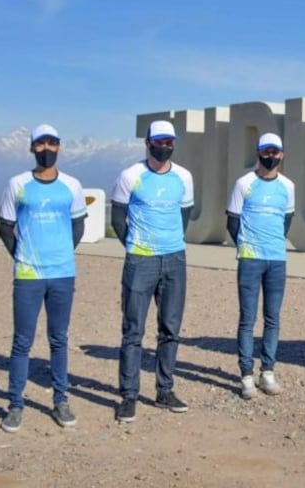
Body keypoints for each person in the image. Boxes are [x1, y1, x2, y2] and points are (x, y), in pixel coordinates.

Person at [0, 124, 88, 433]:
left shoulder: (72, 185)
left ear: (59, 147)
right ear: (32, 148)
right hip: (28, 275)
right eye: (40, 144)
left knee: (59, 339)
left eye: (52, 143)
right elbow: (5, 227)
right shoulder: (17, 184)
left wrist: (61, 253)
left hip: (62, 273)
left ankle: (61, 399)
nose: (46, 149)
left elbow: (78, 226)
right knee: (22, 340)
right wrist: (23, 256)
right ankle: (15, 404)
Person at [111, 120, 194, 421]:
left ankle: (164, 390)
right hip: (140, 260)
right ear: (147, 143)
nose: (164, 147)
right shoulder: (130, 175)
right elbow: (118, 219)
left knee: (170, 329)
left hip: (174, 259)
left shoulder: (184, 176)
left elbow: (184, 216)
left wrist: (170, 244)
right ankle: (129, 395)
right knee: (133, 330)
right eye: (158, 141)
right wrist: (135, 246)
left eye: (169, 141)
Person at [226, 133, 295, 399]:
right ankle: (246, 374)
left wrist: (272, 243)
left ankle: (267, 371)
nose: (270, 156)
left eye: (275, 151)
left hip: (277, 258)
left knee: (273, 317)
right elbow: (232, 221)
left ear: (282, 154)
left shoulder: (288, 186)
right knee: (247, 319)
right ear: (258, 153)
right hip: (250, 259)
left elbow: (287, 219)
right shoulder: (244, 183)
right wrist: (246, 246)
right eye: (266, 151)